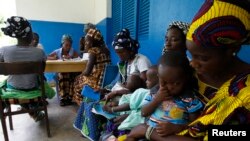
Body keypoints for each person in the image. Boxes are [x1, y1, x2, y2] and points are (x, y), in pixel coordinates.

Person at [157, 0, 250, 141]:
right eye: (191, 55)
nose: (193, 63)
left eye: (202, 58)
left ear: (232, 50)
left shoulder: (245, 94)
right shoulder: (189, 75)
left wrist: (149, 132)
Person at [73, 28, 152, 141]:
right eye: (117, 53)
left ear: (130, 49)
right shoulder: (123, 63)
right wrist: (104, 90)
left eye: (121, 52)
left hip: (134, 97)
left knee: (93, 105)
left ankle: (96, 133)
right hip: (122, 93)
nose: (119, 55)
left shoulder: (141, 60)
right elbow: (116, 81)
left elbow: (146, 87)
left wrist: (117, 92)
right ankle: (87, 130)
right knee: (87, 99)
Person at [125, 51, 203, 141]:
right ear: (159, 77)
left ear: (186, 79)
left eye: (176, 83)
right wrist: (156, 100)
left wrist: (176, 127)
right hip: (147, 137)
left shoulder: (189, 99)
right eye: (164, 82)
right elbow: (144, 113)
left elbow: (194, 125)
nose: (169, 87)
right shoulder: (155, 93)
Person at [0, 16, 55, 121]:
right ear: (29, 34)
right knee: (41, 82)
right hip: (33, 88)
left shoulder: (4, 50)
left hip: (12, 88)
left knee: (4, 83)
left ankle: (29, 110)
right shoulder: (39, 52)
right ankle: (33, 109)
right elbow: (43, 64)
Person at [101, 65, 159, 140]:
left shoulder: (143, 92)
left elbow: (134, 107)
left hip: (134, 125)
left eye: (148, 80)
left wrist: (112, 109)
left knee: (115, 129)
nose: (146, 81)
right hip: (136, 123)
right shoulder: (147, 94)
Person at [73, 28, 111, 105]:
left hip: (96, 81)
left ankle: (82, 105)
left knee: (77, 80)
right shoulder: (106, 49)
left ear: (93, 41)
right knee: (80, 78)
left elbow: (87, 72)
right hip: (105, 79)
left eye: (87, 41)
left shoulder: (93, 51)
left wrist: (81, 74)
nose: (86, 43)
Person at [47, 34, 79, 106]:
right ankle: (63, 98)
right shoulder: (57, 51)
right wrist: (54, 58)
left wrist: (73, 57)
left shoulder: (73, 51)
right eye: (66, 45)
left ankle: (70, 97)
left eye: (70, 45)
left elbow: (79, 57)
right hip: (61, 72)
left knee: (74, 76)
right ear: (62, 44)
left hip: (71, 71)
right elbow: (47, 57)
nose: (68, 47)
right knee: (62, 76)